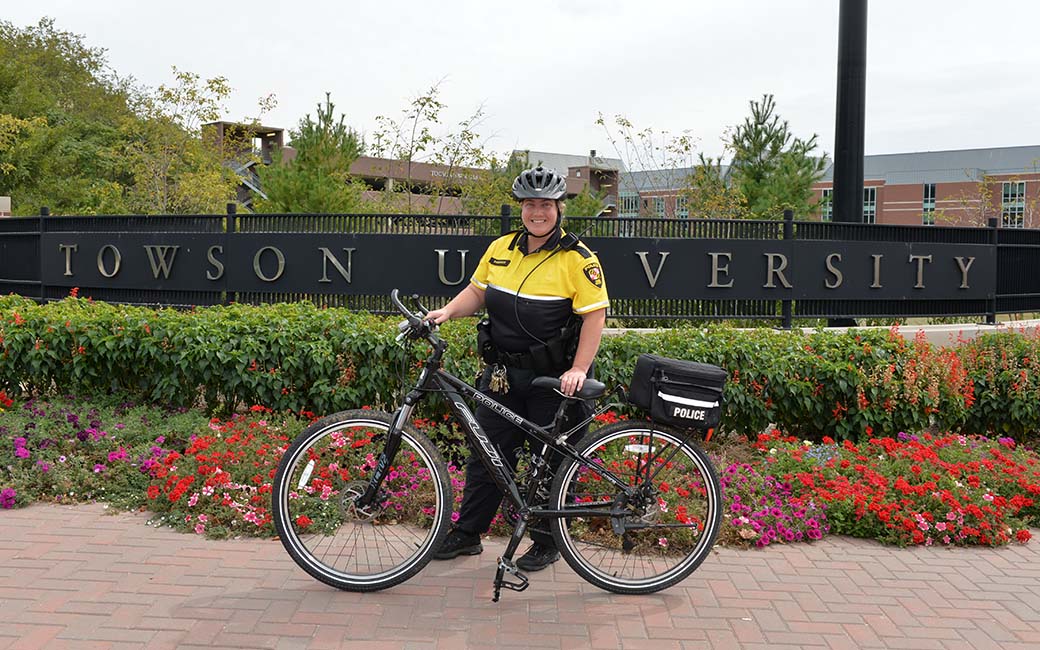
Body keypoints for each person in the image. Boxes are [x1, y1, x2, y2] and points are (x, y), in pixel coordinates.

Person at [423, 166, 610, 572]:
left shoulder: (579, 259)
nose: (536, 212)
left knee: (551, 460)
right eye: (529, 205)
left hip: (554, 379)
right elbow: (477, 291)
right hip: (504, 374)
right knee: (486, 454)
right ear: (521, 208)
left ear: (559, 209)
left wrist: (579, 368)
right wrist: (446, 312)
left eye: (545, 205)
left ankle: (547, 542)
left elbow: (596, 317)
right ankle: (468, 534)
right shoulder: (501, 248)